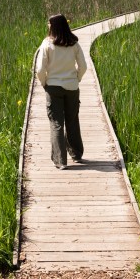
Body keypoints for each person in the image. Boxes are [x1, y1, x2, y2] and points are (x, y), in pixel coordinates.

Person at [33, 14, 88, 169]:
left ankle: (60, 161)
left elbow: (40, 69)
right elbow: (83, 66)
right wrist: (76, 79)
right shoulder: (74, 43)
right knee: (72, 120)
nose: (48, 26)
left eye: (49, 24)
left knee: (56, 123)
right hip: (72, 87)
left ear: (54, 26)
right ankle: (76, 154)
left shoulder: (47, 44)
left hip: (53, 87)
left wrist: (44, 83)